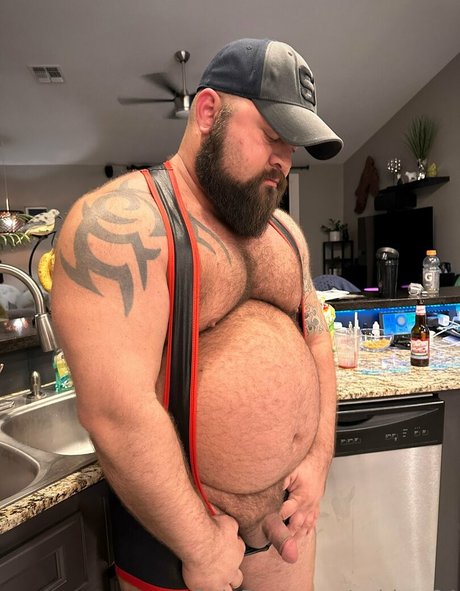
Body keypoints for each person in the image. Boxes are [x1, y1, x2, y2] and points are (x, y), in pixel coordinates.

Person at [52, 38, 343, 591]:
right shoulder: (121, 224)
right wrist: (202, 545)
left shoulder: (285, 233)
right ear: (208, 111)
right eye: (273, 135)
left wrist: (319, 458)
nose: (284, 160)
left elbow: (316, 341)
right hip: (183, 546)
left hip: (284, 530)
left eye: (293, 145)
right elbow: (115, 411)